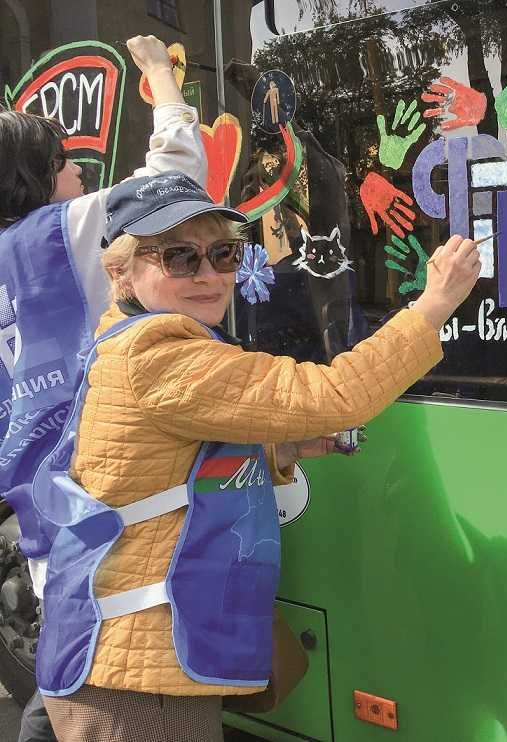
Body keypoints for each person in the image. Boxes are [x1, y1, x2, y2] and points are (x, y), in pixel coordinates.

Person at [33, 170, 479, 741]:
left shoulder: (128, 336)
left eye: (223, 254)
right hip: (137, 678)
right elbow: (334, 396)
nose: (209, 275)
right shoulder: (157, 353)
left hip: (129, 658)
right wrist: (435, 304)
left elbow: (156, 465)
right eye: (179, 258)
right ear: (121, 271)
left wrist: (278, 447)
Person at [0, 35, 207, 742]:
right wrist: (160, 77)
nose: (78, 173)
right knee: (98, 686)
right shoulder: (57, 234)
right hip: (107, 499)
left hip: (39, 512)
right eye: (63, 163)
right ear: (32, 176)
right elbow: (177, 179)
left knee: (68, 673)